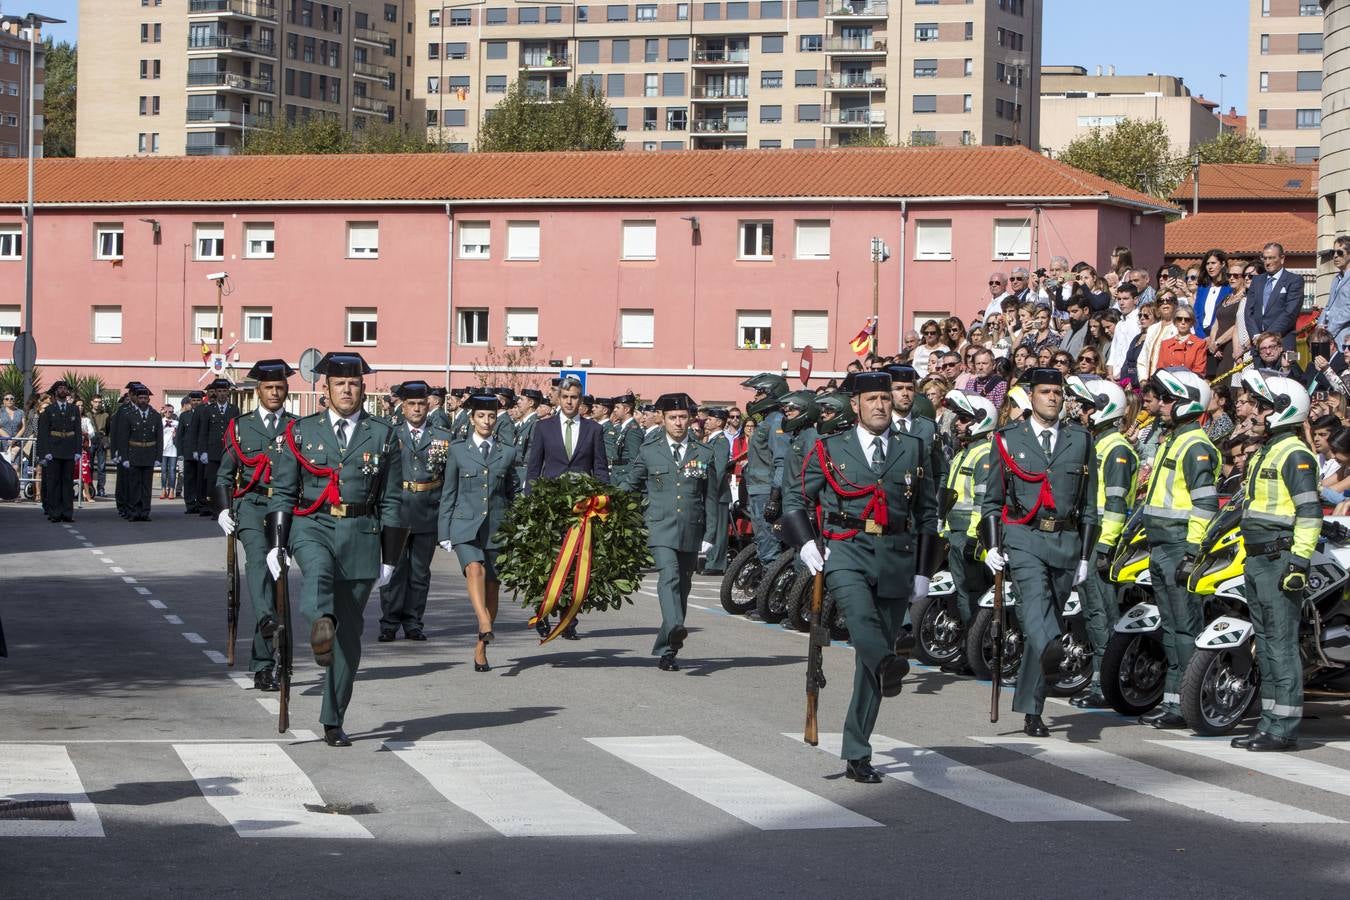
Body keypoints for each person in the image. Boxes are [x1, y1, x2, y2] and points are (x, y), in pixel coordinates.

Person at [781, 371, 938, 783]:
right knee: (859, 618)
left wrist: (924, 568)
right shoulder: (830, 447)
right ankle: (888, 662)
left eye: (885, 398)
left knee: (871, 661)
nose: (881, 406)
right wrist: (804, 542)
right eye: (872, 399)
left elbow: (926, 513)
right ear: (856, 405)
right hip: (845, 547)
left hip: (896, 554)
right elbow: (797, 497)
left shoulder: (915, 449)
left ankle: (857, 750)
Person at [265, 352, 405, 748]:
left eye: (355, 383)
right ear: (325, 389)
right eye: (339, 383)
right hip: (314, 523)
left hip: (361, 533)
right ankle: (319, 622)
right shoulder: (302, 432)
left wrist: (391, 557)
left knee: (350, 639)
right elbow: (284, 492)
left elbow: (392, 499)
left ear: (363, 388)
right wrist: (277, 544)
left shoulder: (383, 434)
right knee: (318, 573)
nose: (347, 389)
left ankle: (333, 719)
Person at [980, 367, 1098, 737]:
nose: (1052, 398)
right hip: (1023, 536)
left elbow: (1090, 504)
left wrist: (1084, 557)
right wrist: (991, 545)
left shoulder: (1080, 439)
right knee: (1036, 606)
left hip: (1064, 540)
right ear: (1030, 397)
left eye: (1057, 393)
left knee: (1044, 622)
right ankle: (1056, 650)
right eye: (1045, 392)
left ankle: (1033, 708)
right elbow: (992, 501)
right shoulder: (1006, 438)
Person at [1232, 369, 1320, 752]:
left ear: (1285, 409)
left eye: (1265, 407)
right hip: (1257, 559)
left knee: (1280, 645)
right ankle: (1268, 723)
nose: (1256, 412)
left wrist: (1298, 564)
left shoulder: (1296, 454)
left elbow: (1310, 513)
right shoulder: (1268, 449)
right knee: (1265, 644)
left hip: (1279, 559)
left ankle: (1282, 729)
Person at [1138, 367, 1220, 729]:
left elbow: (1205, 505)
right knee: (1171, 630)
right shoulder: (1172, 439)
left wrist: (1191, 552)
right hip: (1159, 544)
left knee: (1185, 629)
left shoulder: (1196, 445)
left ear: (1188, 403)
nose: (1162, 405)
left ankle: (1188, 704)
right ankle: (1173, 703)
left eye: (1169, 399)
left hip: (1177, 545)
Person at [214, 360, 298, 690]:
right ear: (258, 391)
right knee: (259, 563)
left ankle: (269, 663)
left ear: (286, 390)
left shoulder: (298, 426)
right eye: (268, 388)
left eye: (279, 387)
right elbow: (224, 474)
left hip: (286, 507)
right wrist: (223, 509)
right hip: (251, 504)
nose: (274, 392)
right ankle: (266, 623)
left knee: (279, 580)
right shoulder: (241, 427)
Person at [622, 393, 720, 671]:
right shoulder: (649, 450)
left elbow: (711, 497)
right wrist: (603, 503)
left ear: (690, 419)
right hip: (659, 527)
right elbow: (630, 484)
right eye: (672, 418)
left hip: (691, 529)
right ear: (662, 419)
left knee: (683, 589)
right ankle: (676, 625)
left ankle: (668, 649)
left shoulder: (705, 454)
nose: (678, 423)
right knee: (670, 576)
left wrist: (710, 535)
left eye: (683, 417)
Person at [1064, 376, 1138, 709]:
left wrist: (1105, 545)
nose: (1082, 412)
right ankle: (1100, 681)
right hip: (1087, 538)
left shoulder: (1117, 448)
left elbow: (1117, 503)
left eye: (1088, 406)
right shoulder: (1097, 444)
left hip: (1101, 542)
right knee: (1093, 614)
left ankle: (1103, 685)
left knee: (1101, 615)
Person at [438, 394, 519, 671]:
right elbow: (449, 492)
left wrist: (519, 526)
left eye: (492, 416)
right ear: (472, 419)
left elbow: (513, 493)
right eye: (481, 416)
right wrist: (444, 530)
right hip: (464, 525)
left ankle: (481, 646)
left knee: (493, 587)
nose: (487, 421)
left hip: (498, 527)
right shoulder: (458, 450)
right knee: (475, 569)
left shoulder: (507, 452)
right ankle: (484, 621)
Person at [377, 380, 452, 644]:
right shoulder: (390, 434)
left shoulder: (443, 437)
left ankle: (413, 622)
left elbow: (448, 479)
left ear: (428, 405)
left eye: (421, 404)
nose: (417, 409)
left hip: (427, 510)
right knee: (393, 570)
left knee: (419, 572)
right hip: (397, 509)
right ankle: (388, 623)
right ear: (404, 407)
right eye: (412, 404)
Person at [936, 390, 996, 674]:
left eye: (963, 419)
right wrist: (946, 529)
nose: (957, 424)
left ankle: (975, 652)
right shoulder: (966, 451)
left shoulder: (984, 454)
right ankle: (966, 649)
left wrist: (974, 537)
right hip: (957, 534)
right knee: (963, 595)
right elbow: (953, 496)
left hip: (971, 538)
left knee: (973, 595)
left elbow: (983, 503)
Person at [741, 373, 791, 569]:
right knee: (763, 544)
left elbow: (781, 461)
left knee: (769, 547)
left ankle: (773, 594)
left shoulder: (777, 422)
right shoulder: (768, 420)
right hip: (757, 490)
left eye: (759, 393)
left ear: (771, 394)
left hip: (766, 492)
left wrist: (774, 497)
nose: (755, 398)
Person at [525, 377, 610, 486]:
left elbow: (600, 468)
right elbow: (534, 468)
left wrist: (604, 499)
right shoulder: (543, 427)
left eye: (573, 397)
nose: (569, 402)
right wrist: (530, 497)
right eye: (565, 397)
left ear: (580, 400)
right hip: (550, 497)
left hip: (583, 497)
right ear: (559, 399)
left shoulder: (594, 429)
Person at [110, 384, 163, 522]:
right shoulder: (129, 415)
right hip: (134, 453)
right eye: (141, 398)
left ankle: (144, 512)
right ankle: (133, 511)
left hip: (149, 453)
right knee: (134, 485)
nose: (143, 400)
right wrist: (124, 456)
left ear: (149, 400)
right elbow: (123, 438)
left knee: (146, 486)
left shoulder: (155, 416)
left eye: (145, 398)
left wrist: (158, 457)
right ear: (136, 399)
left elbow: (159, 438)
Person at [192, 378, 240, 518]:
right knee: (212, 481)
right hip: (212, 451)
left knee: (228, 480)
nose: (222, 394)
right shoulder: (208, 409)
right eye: (219, 391)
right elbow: (203, 432)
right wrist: (202, 451)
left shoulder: (233, 409)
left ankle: (226, 508)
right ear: (216, 393)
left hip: (228, 450)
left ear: (228, 393)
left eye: (224, 391)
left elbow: (237, 431)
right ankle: (214, 509)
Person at [35, 380, 81, 523]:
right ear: (55, 392)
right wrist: (45, 452)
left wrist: (77, 450)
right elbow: (43, 434)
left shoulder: (73, 410)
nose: (62, 390)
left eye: (65, 388)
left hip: (68, 449)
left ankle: (67, 513)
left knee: (67, 483)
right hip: (53, 450)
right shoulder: (49, 411)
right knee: (53, 483)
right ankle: (54, 512)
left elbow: (78, 432)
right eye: (60, 388)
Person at [1245, 242, 1305, 351]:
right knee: (1258, 369)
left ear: (1282, 258)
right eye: (1265, 258)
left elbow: (1290, 312)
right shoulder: (1257, 281)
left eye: (1271, 258)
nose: (1267, 262)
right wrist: (1255, 335)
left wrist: (1267, 337)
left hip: (1284, 342)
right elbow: (1249, 311)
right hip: (1258, 344)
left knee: (1290, 367)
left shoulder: (1295, 280)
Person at [700, 407, 733, 576]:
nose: (706, 421)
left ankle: (717, 564)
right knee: (710, 525)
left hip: (717, 491)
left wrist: (712, 489)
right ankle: (710, 559)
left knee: (719, 528)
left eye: (710, 419)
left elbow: (719, 469)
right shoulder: (711, 440)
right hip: (710, 489)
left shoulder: (721, 441)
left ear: (719, 422)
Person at [1155, 303, 1207, 375]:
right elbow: (1160, 370)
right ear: (1175, 322)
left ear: (1192, 323)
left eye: (1187, 319)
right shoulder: (1165, 344)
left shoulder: (1199, 344)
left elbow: (1199, 372)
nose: (1183, 322)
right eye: (1179, 319)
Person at [606, 392, 642, 486]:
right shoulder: (624, 428)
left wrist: (626, 481)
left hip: (624, 477)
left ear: (626, 409)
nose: (614, 410)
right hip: (617, 474)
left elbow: (635, 460)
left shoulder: (633, 430)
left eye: (617, 407)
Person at [1107, 283, 1141, 380]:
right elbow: (1113, 351)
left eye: (1125, 299)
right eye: (1119, 299)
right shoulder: (1119, 324)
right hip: (1114, 377)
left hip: (1131, 377)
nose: (1121, 303)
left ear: (1135, 300)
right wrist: (1110, 375)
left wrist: (1128, 375)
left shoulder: (1140, 321)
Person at [177, 391, 202, 513]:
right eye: (194, 400)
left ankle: (200, 503)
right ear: (190, 402)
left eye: (198, 400)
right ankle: (190, 505)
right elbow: (179, 436)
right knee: (189, 480)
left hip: (202, 453)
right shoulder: (184, 416)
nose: (196, 403)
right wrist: (180, 453)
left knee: (200, 479)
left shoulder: (205, 413)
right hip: (188, 453)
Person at [513, 388, 544, 485]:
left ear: (530, 403)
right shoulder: (524, 424)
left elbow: (534, 453)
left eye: (522, 399)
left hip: (525, 472)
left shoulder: (535, 424)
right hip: (517, 471)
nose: (518, 402)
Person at [160, 406, 178, 499]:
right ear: (163, 411)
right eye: (166, 411)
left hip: (173, 449)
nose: (168, 412)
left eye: (170, 411)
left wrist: (176, 435)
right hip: (163, 450)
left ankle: (171, 490)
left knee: (172, 471)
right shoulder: (160, 422)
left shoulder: (176, 423)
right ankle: (163, 490)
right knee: (163, 471)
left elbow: (180, 435)